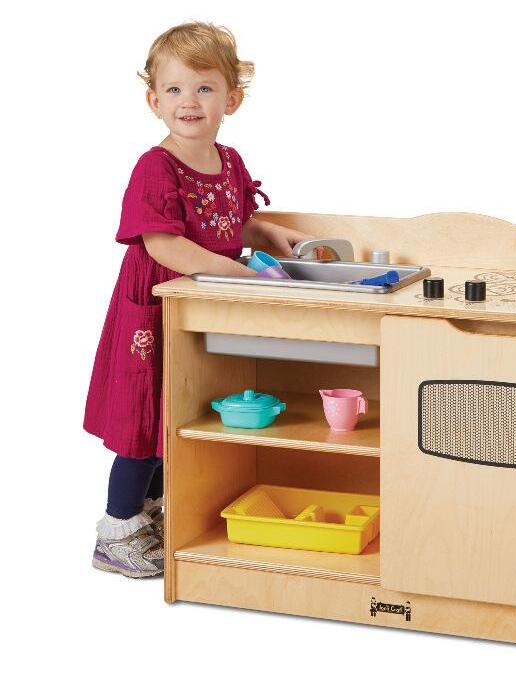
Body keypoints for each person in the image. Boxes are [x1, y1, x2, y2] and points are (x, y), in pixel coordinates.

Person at [84, 22, 312, 577]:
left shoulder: (228, 161)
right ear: (154, 100)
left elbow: (232, 221)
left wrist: (267, 235)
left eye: (205, 88)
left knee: (179, 411)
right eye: (175, 89)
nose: (189, 101)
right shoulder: (155, 166)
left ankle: (151, 513)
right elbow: (164, 243)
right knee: (143, 418)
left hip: (199, 303)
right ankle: (117, 530)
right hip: (155, 304)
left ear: (231, 99)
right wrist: (236, 271)